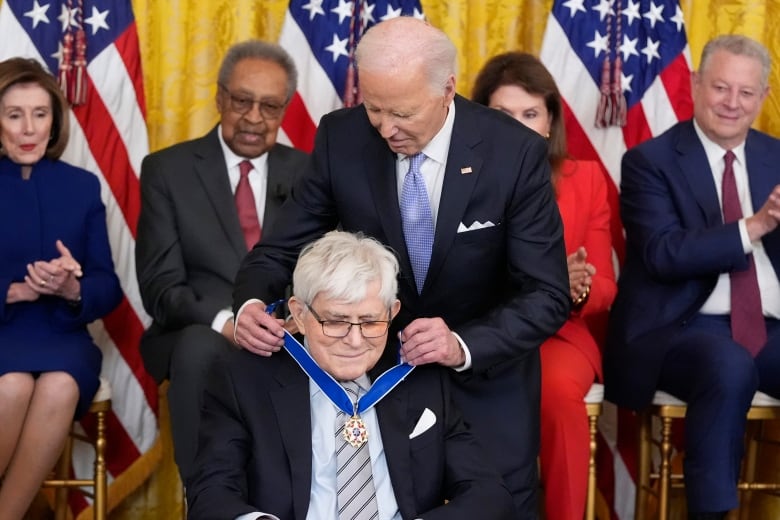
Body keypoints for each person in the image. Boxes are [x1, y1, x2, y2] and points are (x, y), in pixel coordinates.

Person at [232, 17, 570, 518]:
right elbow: (280, 249)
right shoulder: (341, 138)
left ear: (447, 90)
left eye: (403, 113)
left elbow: (546, 294)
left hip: (485, 384)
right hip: (379, 386)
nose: (386, 128)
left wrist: (461, 344)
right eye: (374, 108)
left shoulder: (513, 152)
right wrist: (251, 302)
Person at [187, 231, 514, 519]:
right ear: (299, 315)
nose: (355, 340)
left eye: (371, 322)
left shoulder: (418, 375)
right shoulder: (243, 380)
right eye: (336, 321)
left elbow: (488, 495)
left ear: (393, 313)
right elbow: (210, 496)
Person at [604, 35, 780, 520]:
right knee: (728, 366)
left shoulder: (777, 157)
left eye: (746, 93)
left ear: (764, 97)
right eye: (721, 87)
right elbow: (662, 253)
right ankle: (712, 514)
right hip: (681, 328)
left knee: (739, 360)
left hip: (768, 327)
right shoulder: (649, 161)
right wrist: (756, 225)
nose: (732, 103)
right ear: (697, 84)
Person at [135, 40, 308, 481]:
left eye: (270, 106)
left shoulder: (310, 174)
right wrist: (227, 323)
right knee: (199, 349)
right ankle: (206, 494)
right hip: (199, 331)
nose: (253, 118)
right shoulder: (167, 170)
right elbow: (160, 288)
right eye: (242, 101)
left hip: (288, 331)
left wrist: (295, 321)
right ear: (219, 98)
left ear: (285, 109)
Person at [472, 51, 617, 520]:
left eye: (530, 114)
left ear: (550, 120)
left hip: (558, 333)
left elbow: (605, 289)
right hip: (477, 329)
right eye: (503, 114)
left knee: (554, 392)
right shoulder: (455, 176)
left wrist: (574, 287)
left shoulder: (586, 180)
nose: (516, 126)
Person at [0, 57, 122, 518]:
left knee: (58, 386)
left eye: (40, 113)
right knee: (9, 386)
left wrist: (73, 287)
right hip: (4, 331)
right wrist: (16, 292)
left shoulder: (82, 187)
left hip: (62, 337)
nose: (29, 128)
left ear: (55, 121)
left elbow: (107, 286)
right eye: (14, 114)